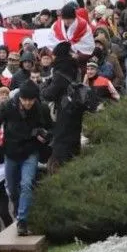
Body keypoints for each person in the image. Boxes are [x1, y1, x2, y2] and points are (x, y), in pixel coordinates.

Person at [0, 80, 51, 236]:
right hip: (11, 152)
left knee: (27, 184)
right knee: (11, 188)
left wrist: (44, 135)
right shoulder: (8, 107)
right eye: (25, 99)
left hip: (30, 152)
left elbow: (51, 128)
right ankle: (18, 208)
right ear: (20, 97)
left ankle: (22, 219)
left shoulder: (40, 109)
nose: (28, 103)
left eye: (31, 99)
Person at [40, 42, 86, 171]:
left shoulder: (60, 71)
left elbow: (49, 94)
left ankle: (60, 168)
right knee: (73, 140)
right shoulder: (75, 68)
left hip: (65, 111)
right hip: (76, 108)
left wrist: (44, 86)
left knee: (62, 142)